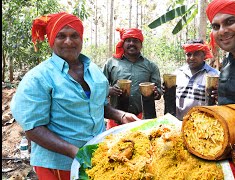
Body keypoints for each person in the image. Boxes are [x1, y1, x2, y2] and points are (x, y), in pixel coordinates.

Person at [10, 12, 139, 180]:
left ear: (81, 39)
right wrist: (73, 151)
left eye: (74, 36)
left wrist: (120, 115)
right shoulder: (39, 78)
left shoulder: (93, 70)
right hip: (57, 164)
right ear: (51, 41)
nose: (68, 41)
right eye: (61, 36)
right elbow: (33, 128)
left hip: (95, 157)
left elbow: (96, 104)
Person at [102, 28, 162, 129]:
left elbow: (159, 91)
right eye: (128, 40)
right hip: (116, 118)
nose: (131, 43)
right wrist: (110, 90)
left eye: (135, 41)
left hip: (141, 119)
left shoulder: (151, 66)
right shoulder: (111, 63)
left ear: (141, 44)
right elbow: (100, 88)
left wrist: (156, 93)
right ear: (123, 43)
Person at [164, 39, 220, 120]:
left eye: (196, 54)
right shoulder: (177, 74)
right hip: (178, 123)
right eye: (188, 54)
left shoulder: (215, 75)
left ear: (204, 55)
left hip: (203, 125)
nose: (192, 58)